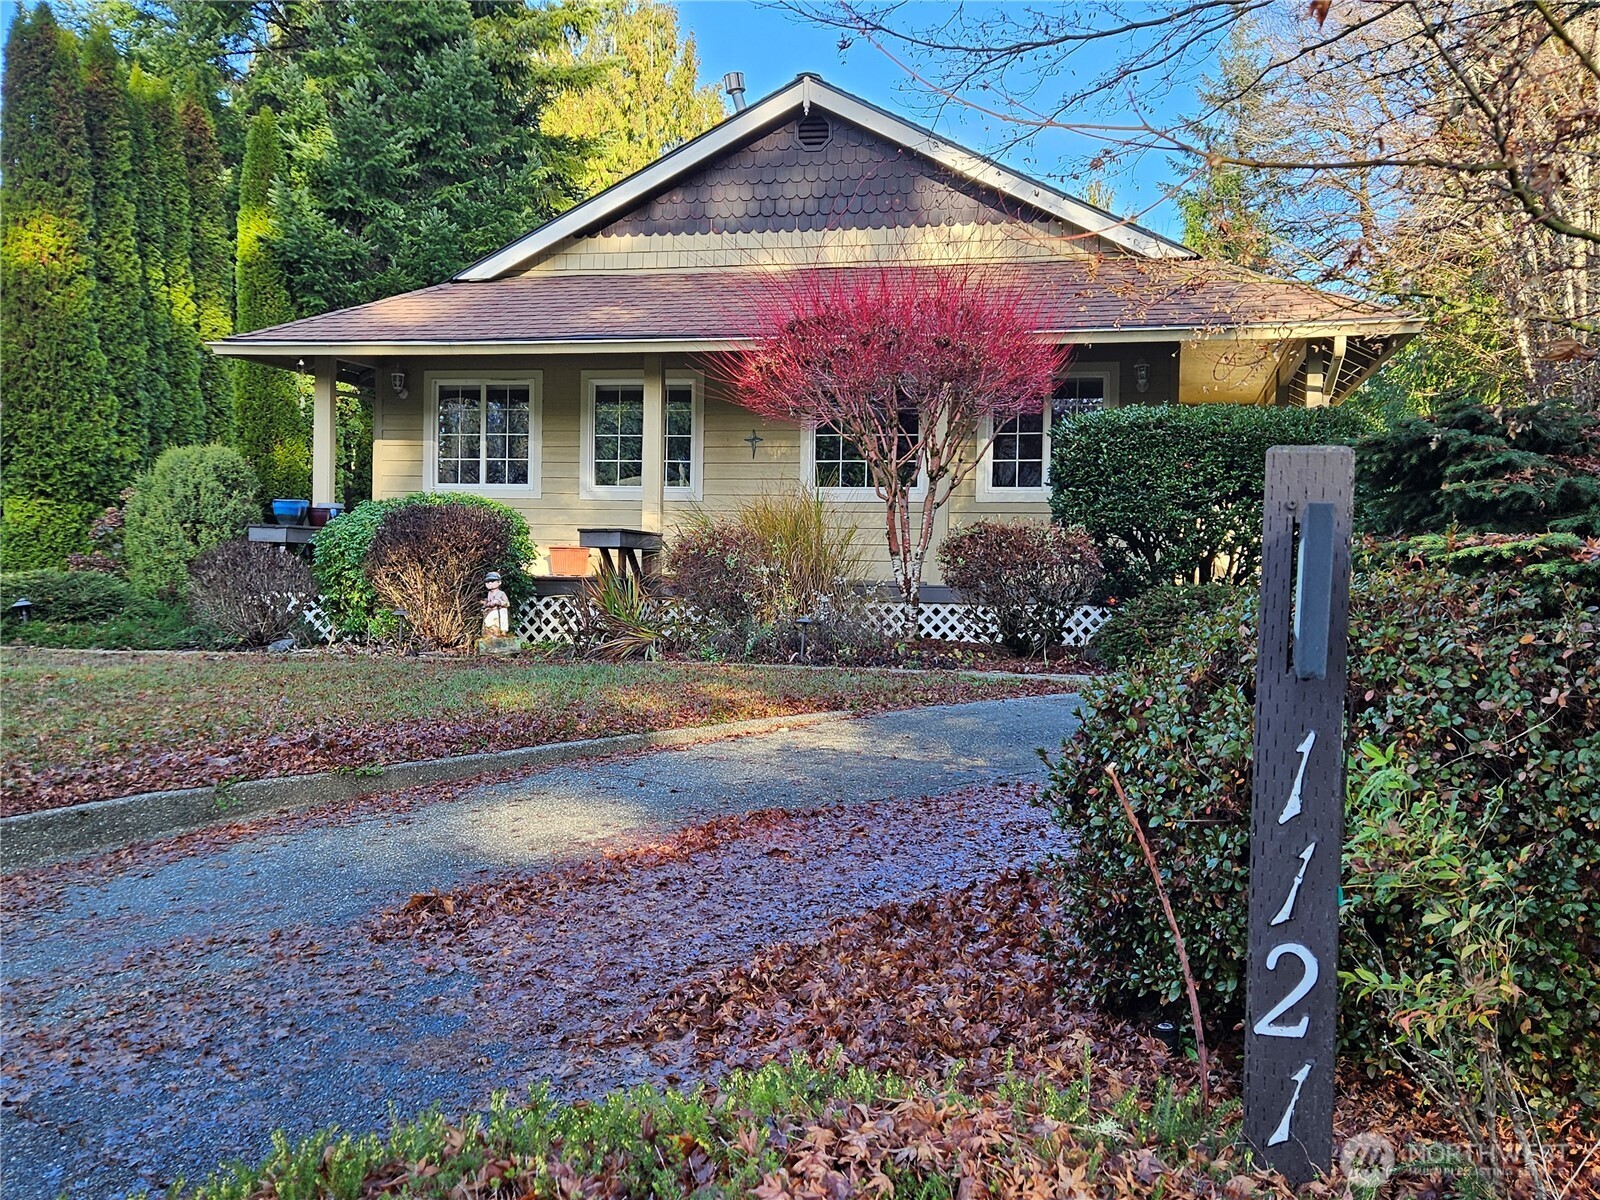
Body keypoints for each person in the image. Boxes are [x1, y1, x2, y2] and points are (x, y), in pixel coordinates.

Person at [482, 571, 510, 637]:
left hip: (500, 610)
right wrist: (487, 604)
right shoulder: (489, 593)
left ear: (499, 582)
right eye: (487, 582)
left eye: (492, 581)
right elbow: (489, 602)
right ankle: (493, 632)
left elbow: (507, 603)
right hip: (492, 610)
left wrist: (499, 602)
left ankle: (503, 631)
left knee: (503, 617)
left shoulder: (501, 593)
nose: (490, 584)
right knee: (488, 621)